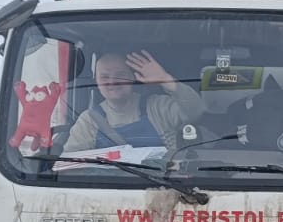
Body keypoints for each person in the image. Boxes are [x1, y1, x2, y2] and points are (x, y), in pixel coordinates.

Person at [63, 50, 204, 154]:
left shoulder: (157, 106)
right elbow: (71, 162)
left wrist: (165, 79)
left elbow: (196, 111)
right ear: (96, 82)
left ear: (132, 77)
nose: (112, 82)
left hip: (165, 189)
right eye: (104, 77)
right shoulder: (89, 120)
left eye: (120, 75)